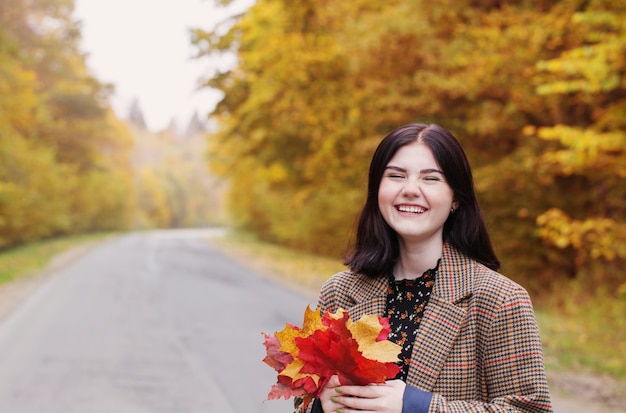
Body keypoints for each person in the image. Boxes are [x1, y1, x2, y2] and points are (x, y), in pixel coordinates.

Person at [298, 123, 552, 413]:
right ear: (377, 189)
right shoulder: (339, 292)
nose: (410, 190)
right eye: (396, 176)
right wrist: (320, 406)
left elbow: (529, 409)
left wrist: (415, 406)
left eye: (430, 179)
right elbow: (303, 399)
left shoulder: (500, 299)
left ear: (456, 197)